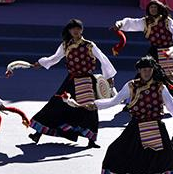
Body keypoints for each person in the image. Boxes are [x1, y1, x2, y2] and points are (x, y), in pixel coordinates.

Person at [88, 57, 173, 174]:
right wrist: (96, 104)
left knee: (169, 155)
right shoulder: (131, 86)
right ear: (139, 71)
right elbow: (115, 100)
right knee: (115, 149)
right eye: (144, 70)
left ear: (153, 70)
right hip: (136, 124)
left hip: (156, 125)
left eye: (149, 69)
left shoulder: (160, 86)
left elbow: (171, 105)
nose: (147, 72)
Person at [27, 19, 116, 148]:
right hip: (71, 81)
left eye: (78, 28)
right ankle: (38, 133)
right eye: (73, 29)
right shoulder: (65, 45)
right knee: (56, 104)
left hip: (87, 80)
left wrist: (109, 77)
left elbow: (103, 58)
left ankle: (91, 140)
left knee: (89, 108)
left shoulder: (89, 45)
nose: (75, 31)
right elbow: (55, 58)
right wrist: (40, 63)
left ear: (82, 30)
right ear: (69, 30)